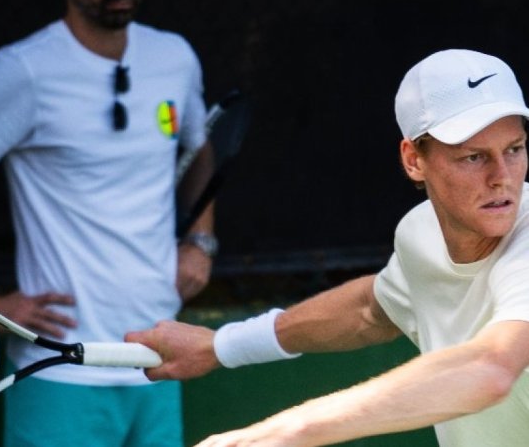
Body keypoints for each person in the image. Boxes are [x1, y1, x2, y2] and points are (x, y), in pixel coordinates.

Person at [126, 48, 529, 447]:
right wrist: (220, 346)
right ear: (413, 160)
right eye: (473, 157)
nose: (502, 177)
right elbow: (369, 309)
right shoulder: (421, 235)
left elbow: (489, 368)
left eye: (514, 149)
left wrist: (288, 430)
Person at [0, 0, 217, 446]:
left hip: (158, 357)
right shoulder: (22, 70)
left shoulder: (175, 57)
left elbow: (200, 148)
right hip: (60, 370)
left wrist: (201, 240)